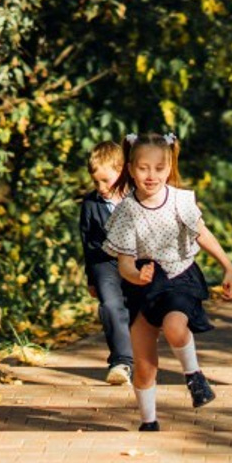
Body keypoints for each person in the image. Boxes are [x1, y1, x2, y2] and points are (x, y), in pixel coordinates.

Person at [104, 131, 232, 431]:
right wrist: (137, 276)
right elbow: (123, 263)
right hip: (143, 285)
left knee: (176, 326)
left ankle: (194, 376)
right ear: (130, 168)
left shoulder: (180, 200)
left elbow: (202, 233)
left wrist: (227, 265)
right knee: (145, 366)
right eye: (143, 168)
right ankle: (148, 421)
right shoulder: (126, 211)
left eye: (159, 168)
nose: (151, 176)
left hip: (179, 277)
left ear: (170, 167)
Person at [78, 140, 135, 385]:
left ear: (122, 171)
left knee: (137, 312)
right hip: (105, 263)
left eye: (106, 181)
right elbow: (87, 242)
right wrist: (92, 278)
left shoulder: (138, 198)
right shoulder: (91, 205)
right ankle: (121, 362)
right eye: (96, 182)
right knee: (111, 306)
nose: (100, 187)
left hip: (137, 262)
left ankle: (140, 357)